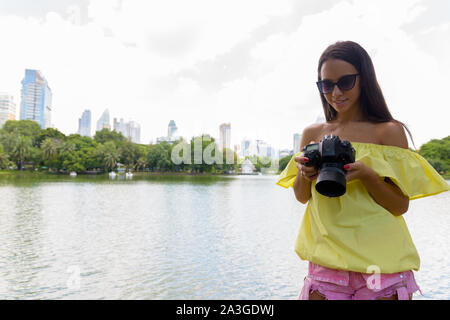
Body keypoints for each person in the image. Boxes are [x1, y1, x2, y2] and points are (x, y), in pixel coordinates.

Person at [276, 41, 449, 300]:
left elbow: (400, 206)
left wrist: (368, 176)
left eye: (345, 82)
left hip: (382, 263)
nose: (335, 92)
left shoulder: (388, 131)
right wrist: (305, 174)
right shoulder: (313, 134)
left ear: (364, 79)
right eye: (326, 84)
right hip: (327, 262)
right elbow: (302, 197)